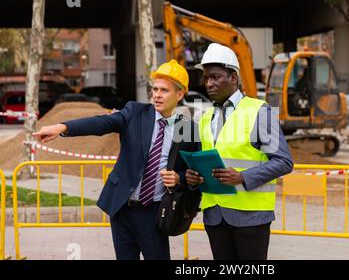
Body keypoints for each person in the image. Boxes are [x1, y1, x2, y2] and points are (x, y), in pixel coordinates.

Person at [32, 60, 201, 260]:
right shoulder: (136, 113)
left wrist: (179, 178)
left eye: (164, 90)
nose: (156, 95)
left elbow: (193, 174)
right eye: (155, 89)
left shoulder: (187, 129)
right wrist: (62, 128)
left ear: (180, 94)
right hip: (122, 209)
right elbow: (102, 123)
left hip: (154, 212)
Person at [186, 43, 293, 260]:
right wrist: (193, 176)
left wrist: (243, 177)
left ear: (233, 78)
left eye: (215, 77)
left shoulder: (259, 111)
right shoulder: (206, 117)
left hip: (251, 217)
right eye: (206, 78)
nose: (209, 83)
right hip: (215, 216)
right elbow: (206, 160)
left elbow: (283, 161)